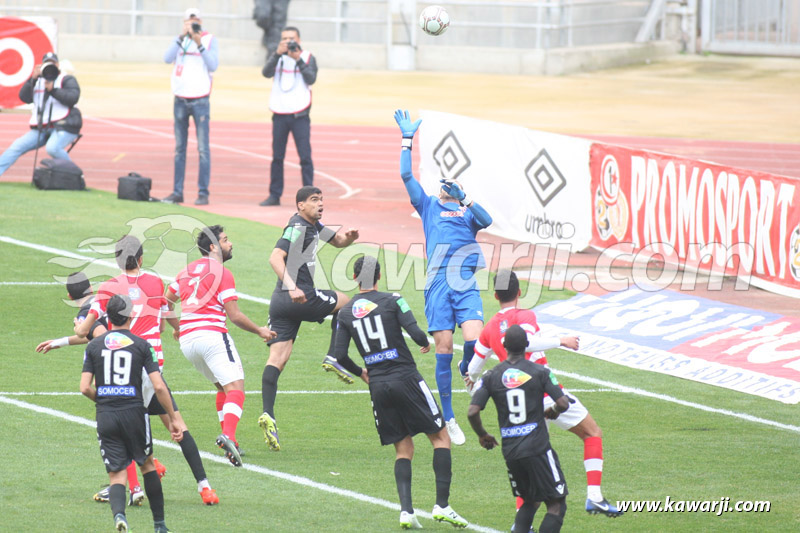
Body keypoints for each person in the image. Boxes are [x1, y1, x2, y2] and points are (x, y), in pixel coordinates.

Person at [75, 235, 219, 506]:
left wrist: (77, 326)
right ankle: (205, 487)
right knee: (177, 424)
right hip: (153, 369)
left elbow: (86, 330)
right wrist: (177, 328)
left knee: (122, 427)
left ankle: (135, 488)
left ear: (117, 259)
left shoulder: (108, 287)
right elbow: (166, 313)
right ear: (141, 259)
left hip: (128, 368)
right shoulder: (155, 282)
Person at [466, 270, 623, 519]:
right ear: (519, 293)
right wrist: (561, 340)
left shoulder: (489, 328)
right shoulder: (525, 314)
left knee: (527, 461)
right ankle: (594, 497)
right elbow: (528, 342)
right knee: (592, 433)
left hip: (519, 406)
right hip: (546, 394)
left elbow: (473, 367)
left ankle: (523, 523)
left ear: (495, 295)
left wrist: (471, 382)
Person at [333, 256, 469, 529]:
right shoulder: (393, 300)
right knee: (441, 437)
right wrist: (424, 344)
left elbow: (339, 355)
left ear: (355, 278)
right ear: (379, 277)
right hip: (406, 378)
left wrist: (362, 372)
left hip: (378, 386)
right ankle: (442, 506)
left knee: (403, 448)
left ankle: (406, 511)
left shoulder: (345, 313)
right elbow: (417, 333)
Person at [393, 109, 493, 446]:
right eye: (446, 187)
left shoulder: (468, 215)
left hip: (465, 284)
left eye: (455, 187)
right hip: (437, 285)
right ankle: (449, 416)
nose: (448, 189)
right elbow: (407, 177)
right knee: (444, 347)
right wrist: (407, 140)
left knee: (476, 342)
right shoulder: (429, 207)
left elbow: (488, 219)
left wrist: (464, 197)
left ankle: (468, 369)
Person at [35, 271, 164, 506]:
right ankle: (146, 473)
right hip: (129, 370)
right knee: (140, 428)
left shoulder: (86, 313)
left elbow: (104, 338)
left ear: (68, 294)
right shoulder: (97, 307)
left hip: (114, 376)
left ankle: (133, 487)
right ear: (91, 289)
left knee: (121, 433)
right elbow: (94, 335)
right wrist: (60, 342)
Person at [167, 225, 276, 467]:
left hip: (188, 342)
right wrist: (260, 330)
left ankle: (231, 444)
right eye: (226, 240)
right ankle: (229, 436)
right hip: (212, 336)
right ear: (213, 247)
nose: (231, 244)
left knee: (222, 386)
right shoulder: (222, 273)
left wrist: (177, 327)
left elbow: (166, 302)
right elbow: (234, 315)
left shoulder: (185, 271)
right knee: (236, 388)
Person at [259, 185, 359, 451]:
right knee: (346, 302)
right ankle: (334, 355)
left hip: (279, 304)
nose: (320, 204)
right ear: (300, 205)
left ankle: (268, 413)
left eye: (321, 199)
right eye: (314, 200)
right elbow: (274, 257)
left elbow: (337, 242)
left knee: (277, 360)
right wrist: (293, 286)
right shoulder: (297, 227)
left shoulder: (314, 225)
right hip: (298, 297)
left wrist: (349, 238)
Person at [80, 294, 180, 533]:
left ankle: (119, 517)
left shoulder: (93, 345)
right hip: (134, 412)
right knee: (146, 465)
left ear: (108, 317)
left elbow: (84, 387)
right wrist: (173, 418)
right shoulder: (142, 345)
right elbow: (158, 386)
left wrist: (104, 399)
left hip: (106, 415)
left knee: (116, 474)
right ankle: (160, 525)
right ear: (131, 314)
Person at [467, 325, 570, 533]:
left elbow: (472, 411)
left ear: (504, 346)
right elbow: (564, 402)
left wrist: (482, 435)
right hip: (538, 448)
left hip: (512, 451)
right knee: (556, 504)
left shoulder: (491, 376)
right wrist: (554, 410)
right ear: (527, 345)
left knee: (530, 500)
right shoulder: (540, 372)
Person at [163, 7, 219, 206]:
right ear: (184, 22)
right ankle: (177, 191)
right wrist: (182, 37)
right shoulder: (178, 40)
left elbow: (213, 65)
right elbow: (167, 58)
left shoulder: (210, 40)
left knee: (203, 149)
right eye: (189, 21)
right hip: (180, 99)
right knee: (180, 149)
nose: (193, 24)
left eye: (196, 21)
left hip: (200, 100)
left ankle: (203, 192)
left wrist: (199, 43)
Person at [259, 27, 317, 206]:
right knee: (277, 157)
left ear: (299, 40)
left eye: (291, 39)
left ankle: (310, 197)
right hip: (279, 113)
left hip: (300, 114)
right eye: (284, 39)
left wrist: (297, 59)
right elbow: (266, 73)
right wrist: (277, 54)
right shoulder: (277, 57)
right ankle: (274, 195)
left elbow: (311, 78)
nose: (288, 42)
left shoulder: (307, 57)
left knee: (305, 157)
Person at [0, 52, 81, 177]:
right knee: (16, 146)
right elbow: (24, 97)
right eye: (46, 64)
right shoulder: (37, 80)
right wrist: (31, 79)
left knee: (53, 148)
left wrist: (53, 90)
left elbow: (73, 98)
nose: (50, 66)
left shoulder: (66, 79)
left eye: (52, 64)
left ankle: (75, 175)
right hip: (41, 127)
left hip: (64, 125)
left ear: (58, 65)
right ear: (41, 65)